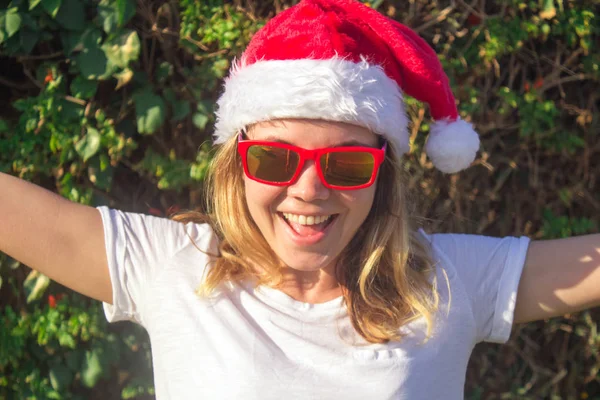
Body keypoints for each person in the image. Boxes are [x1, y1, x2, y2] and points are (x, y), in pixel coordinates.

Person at [1, 0, 598, 398]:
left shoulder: (448, 282)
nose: (309, 189)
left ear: (382, 173)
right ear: (236, 163)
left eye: (346, 161)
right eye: (274, 158)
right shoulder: (170, 265)